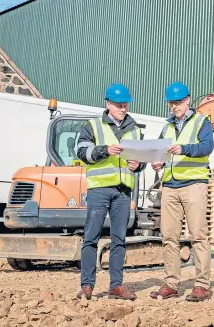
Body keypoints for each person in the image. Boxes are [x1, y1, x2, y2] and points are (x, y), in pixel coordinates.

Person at [76, 84, 145, 301]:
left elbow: (142, 158)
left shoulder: (135, 129)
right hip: (99, 189)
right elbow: (81, 151)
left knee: (119, 239)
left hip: (123, 191)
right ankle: (87, 286)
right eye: (118, 105)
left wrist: (138, 165)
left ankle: (116, 286)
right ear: (108, 104)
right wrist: (104, 150)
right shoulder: (93, 126)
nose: (123, 108)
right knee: (91, 237)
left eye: (125, 105)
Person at [150, 82, 214, 302]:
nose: (173, 107)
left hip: (194, 185)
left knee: (198, 235)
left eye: (177, 102)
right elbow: (159, 151)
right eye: (171, 103)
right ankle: (171, 283)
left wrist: (184, 148)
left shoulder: (201, 122)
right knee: (169, 237)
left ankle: (202, 285)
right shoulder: (167, 127)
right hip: (169, 186)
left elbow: (206, 147)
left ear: (187, 100)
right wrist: (157, 163)